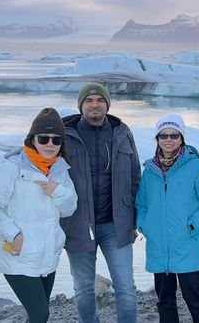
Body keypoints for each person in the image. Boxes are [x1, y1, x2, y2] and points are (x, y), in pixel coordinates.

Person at [61, 83, 141, 323]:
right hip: (78, 224)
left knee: (126, 287)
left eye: (99, 100)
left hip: (115, 224)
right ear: (81, 105)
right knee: (84, 288)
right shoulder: (65, 134)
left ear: (107, 104)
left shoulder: (122, 132)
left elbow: (134, 177)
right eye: (89, 100)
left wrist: (133, 220)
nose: (94, 105)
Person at [0, 108, 78, 322]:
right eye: (44, 138)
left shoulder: (60, 169)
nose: (50, 144)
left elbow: (70, 208)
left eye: (56, 140)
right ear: (32, 139)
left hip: (47, 255)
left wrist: (56, 190)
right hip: (18, 254)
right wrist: (14, 236)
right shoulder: (12, 166)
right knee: (40, 314)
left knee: (39, 315)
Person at [136, 113, 199, 323]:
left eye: (174, 135)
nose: (169, 139)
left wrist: (192, 225)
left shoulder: (196, 167)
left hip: (187, 245)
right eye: (163, 135)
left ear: (182, 138)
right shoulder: (150, 171)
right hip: (159, 248)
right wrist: (146, 226)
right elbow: (141, 204)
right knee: (165, 301)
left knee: (195, 298)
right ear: (157, 139)